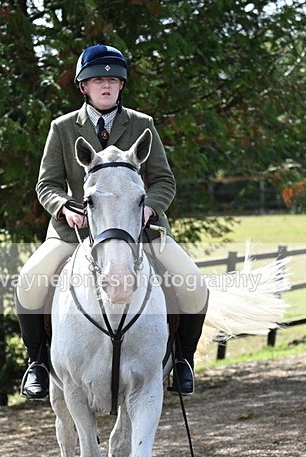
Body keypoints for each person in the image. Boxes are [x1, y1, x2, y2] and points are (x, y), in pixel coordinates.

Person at [16, 44, 209, 399]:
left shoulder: (142, 124)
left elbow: (164, 180)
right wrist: (64, 208)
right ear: (83, 87)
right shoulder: (62, 128)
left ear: (121, 85)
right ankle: (38, 362)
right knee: (30, 281)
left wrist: (149, 208)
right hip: (75, 230)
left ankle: (182, 359)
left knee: (194, 285)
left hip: (138, 227)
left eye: (112, 80)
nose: (106, 85)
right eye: (97, 79)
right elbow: (47, 184)